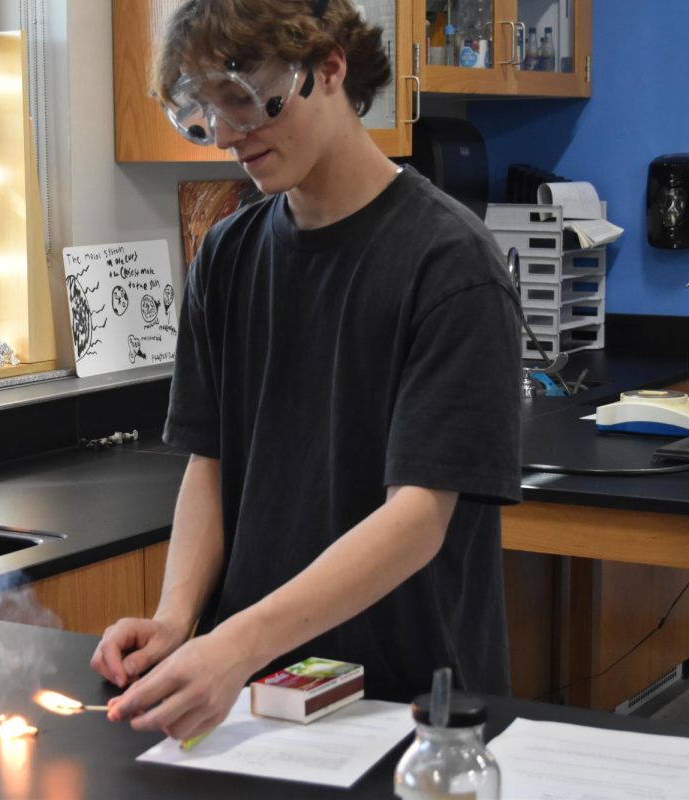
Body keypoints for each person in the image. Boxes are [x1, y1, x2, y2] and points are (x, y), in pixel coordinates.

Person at [91, 0, 522, 742]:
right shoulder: (226, 256)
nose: (228, 136)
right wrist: (177, 618)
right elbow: (211, 461)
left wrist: (231, 644)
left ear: (329, 68)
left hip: (410, 707)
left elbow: (417, 520)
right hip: (252, 699)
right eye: (207, 113)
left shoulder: (451, 265)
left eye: (249, 104)